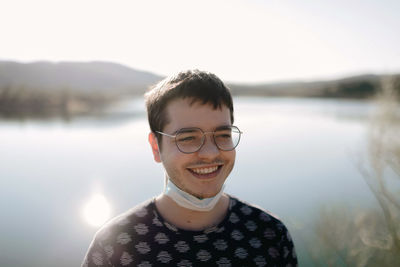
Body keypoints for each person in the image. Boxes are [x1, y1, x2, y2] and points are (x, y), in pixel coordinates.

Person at [82, 70, 298, 267]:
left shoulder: (269, 234)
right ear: (156, 147)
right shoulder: (115, 246)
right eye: (188, 138)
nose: (210, 153)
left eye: (223, 135)